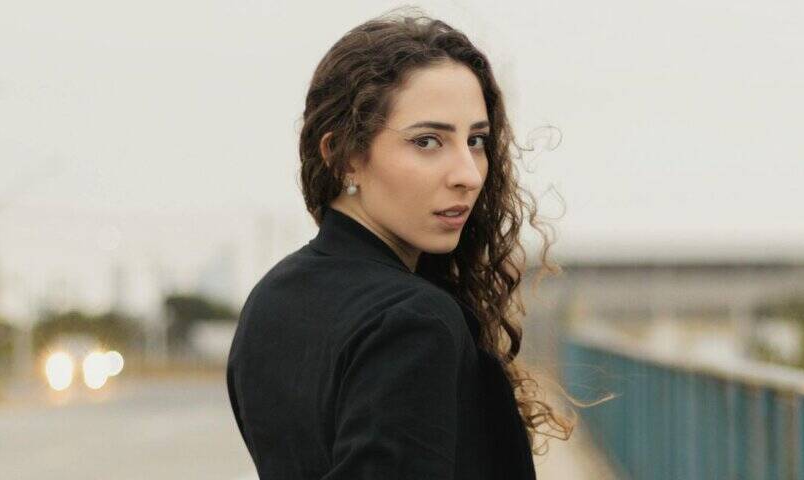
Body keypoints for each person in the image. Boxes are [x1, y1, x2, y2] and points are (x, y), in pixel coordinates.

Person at [227, 9, 576, 479]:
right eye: (427, 141)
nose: (469, 175)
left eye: (476, 141)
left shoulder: (271, 298)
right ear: (344, 156)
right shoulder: (414, 321)